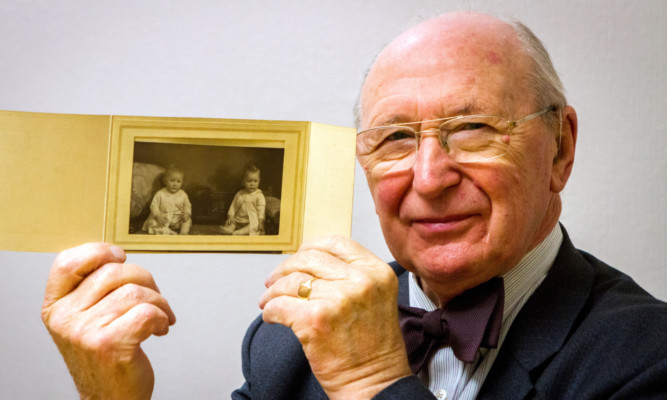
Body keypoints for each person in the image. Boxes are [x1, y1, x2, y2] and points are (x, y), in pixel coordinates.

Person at [40, 11, 667, 400]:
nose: (429, 178)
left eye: (474, 128)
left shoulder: (647, 358)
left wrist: (373, 383)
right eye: (394, 138)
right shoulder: (284, 343)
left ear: (559, 149)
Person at [142, 165, 192, 235]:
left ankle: (183, 234)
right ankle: (165, 232)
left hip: (177, 221)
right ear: (165, 181)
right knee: (153, 222)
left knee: (187, 221)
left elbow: (187, 205)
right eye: (172, 181)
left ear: (182, 182)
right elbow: (154, 206)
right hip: (162, 220)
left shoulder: (183, 195)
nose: (175, 184)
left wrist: (187, 213)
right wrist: (158, 216)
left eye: (178, 181)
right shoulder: (160, 193)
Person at [219, 165, 266, 236]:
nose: (252, 184)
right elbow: (233, 206)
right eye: (249, 181)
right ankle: (229, 229)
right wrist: (230, 217)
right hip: (238, 219)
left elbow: (261, 209)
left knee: (254, 225)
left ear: (259, 181)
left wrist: (261, 221)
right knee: (233, 223)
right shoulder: (240, 194)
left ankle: (239, 232)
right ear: (243, 182)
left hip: (251, 221)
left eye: (255, 181)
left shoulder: (259, 195)